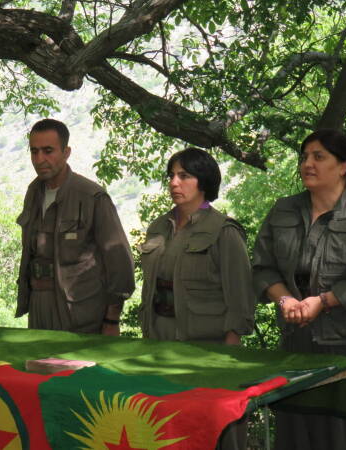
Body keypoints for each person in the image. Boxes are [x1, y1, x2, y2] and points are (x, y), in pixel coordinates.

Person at [252, 129, 346, 449]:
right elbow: (262, 268)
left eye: (319, 157)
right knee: (295, 439)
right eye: (304, 157)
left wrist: (323, 301)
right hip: (297, 348)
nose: (308, 164)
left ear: (343, 166)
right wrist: (285, 299)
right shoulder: (282, 210)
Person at [138, 147, 254, 449]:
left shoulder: (223, 231)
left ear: (203, 180)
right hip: (159, 345)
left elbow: (241, 299)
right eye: (171, 176)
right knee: (165, 427)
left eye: (184, 176)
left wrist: (228, 357)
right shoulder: (159, 227)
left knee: (213, 430)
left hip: (207, 349)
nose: (174, 183)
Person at [16, 118, 135, 335]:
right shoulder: (33, 193)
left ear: (66, 152)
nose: (40, 159)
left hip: (81, 313)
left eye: (48, 151)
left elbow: (120, 263)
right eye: (34, 151)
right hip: (39, 305)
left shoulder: (91, 197)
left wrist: (112, 319)